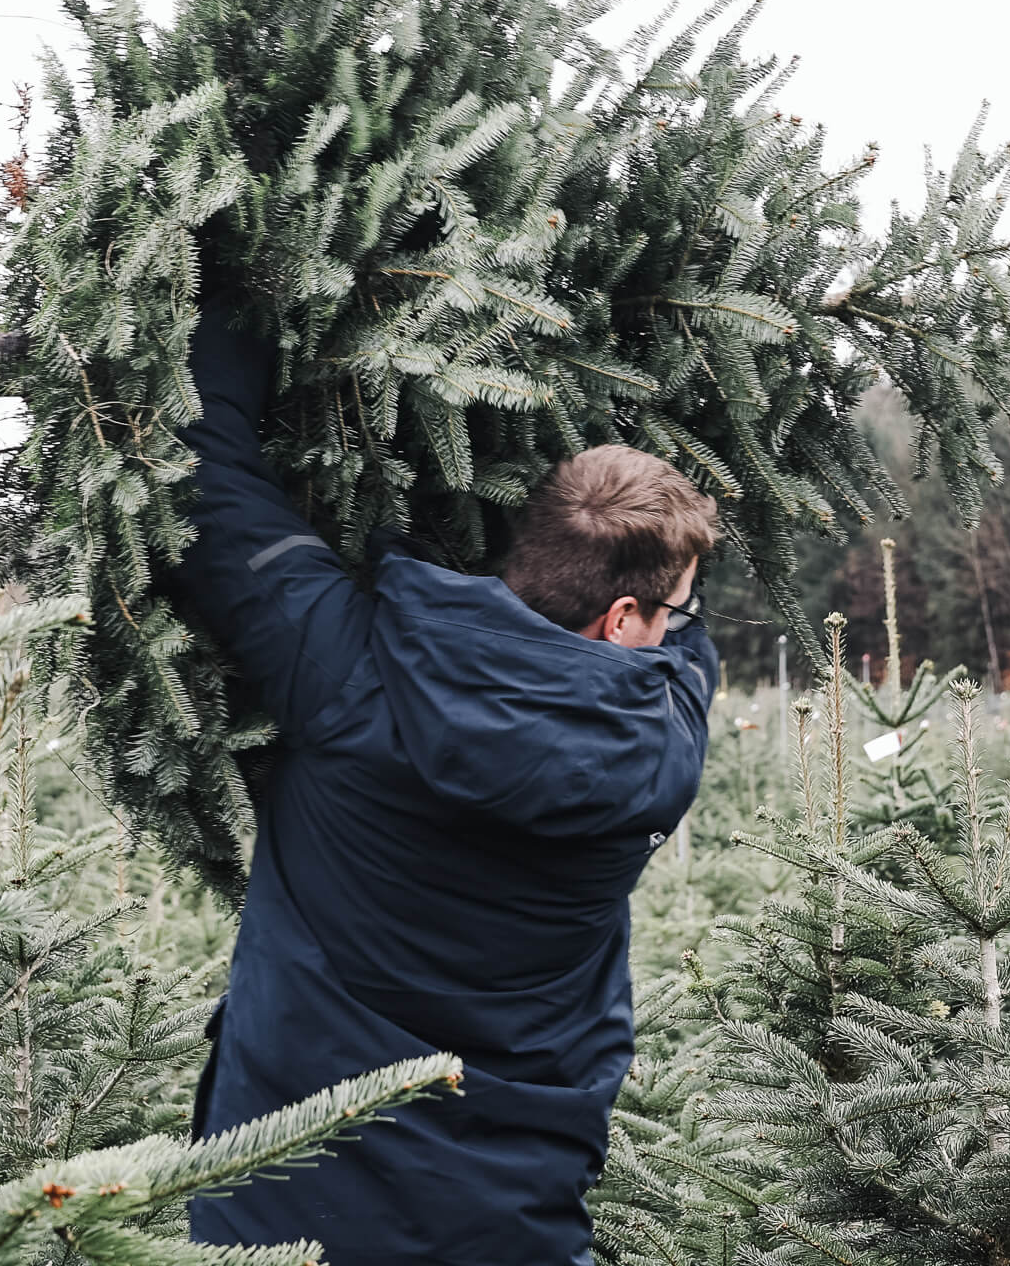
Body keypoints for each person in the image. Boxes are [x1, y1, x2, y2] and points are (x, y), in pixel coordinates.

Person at [167, 276, 719, 1266]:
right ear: (623, 621)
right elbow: (682, 655)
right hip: (508, 1223)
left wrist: (242, 279)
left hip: (276, 1207)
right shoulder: (662, 750)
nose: (686, 632)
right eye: (678, 607)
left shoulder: (346, 665)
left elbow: (205, 465)